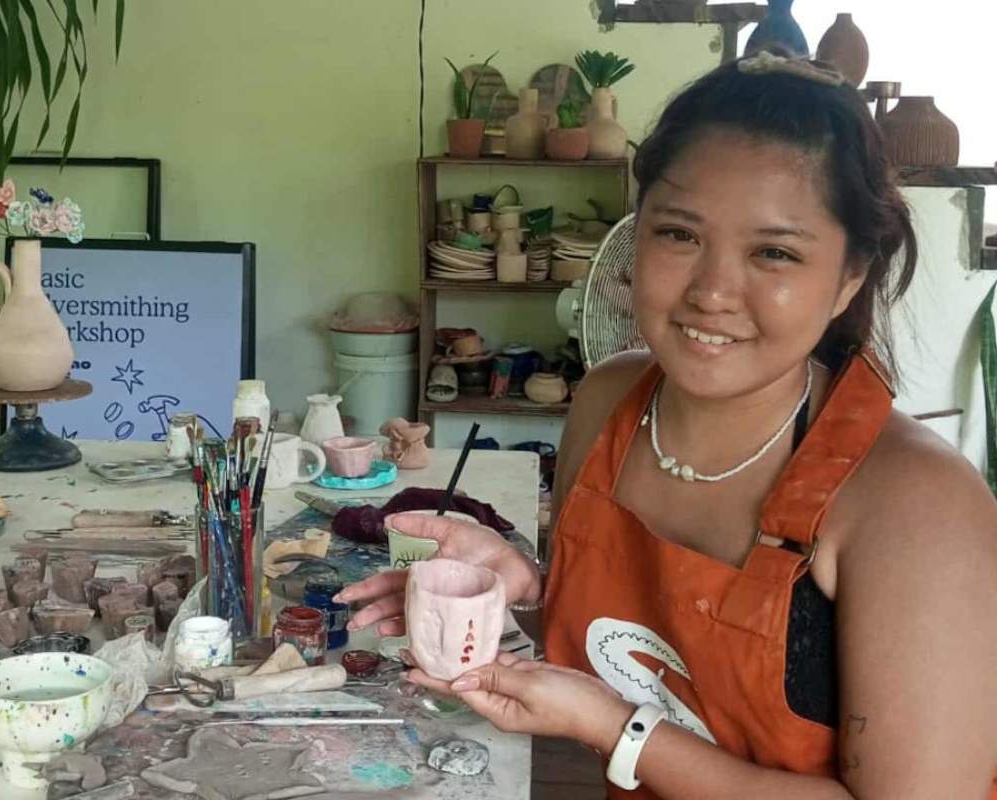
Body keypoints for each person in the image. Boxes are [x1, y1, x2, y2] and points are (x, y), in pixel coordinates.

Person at [338, 52, 997, 798]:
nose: (712, 291)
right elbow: (638, 647)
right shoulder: (612, 401)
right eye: (680, 235)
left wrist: (619, 731)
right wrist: (523, 592)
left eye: (774, 252)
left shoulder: (916, 505)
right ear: (635, 237)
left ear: (850, 277)